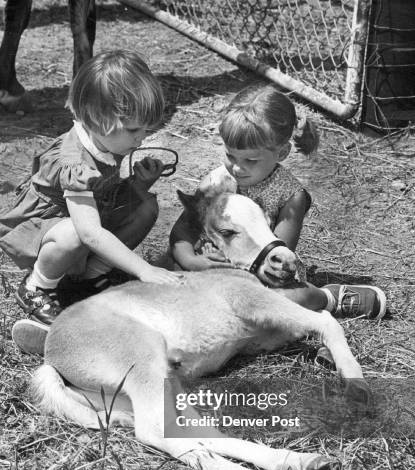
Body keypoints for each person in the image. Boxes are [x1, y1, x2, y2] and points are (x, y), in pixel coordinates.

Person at [170, 84, 386, 320]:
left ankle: (328, 298)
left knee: (283, 299)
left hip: (263, 276)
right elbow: (182, 231)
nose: (237, 167)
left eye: (250, 159)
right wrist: (191, 261)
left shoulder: (292, 195)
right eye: (230, 155)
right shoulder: (217, 181)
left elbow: (280, 258)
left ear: (282, 153)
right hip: (207, 269)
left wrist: (232, 271)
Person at [0, 50, 182, 326]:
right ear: (97, 119)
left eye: (146, 129)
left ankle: (92, 275)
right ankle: (38, 286)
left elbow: (100, 193)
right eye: (134, 130)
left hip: (90, 211)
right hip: (48, 228)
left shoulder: (107, 139)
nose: (142, 138)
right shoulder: (74, 161)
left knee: (145, 205)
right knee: (74, 234)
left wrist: (140, 183)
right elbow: (89, 232)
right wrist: (144, 269)